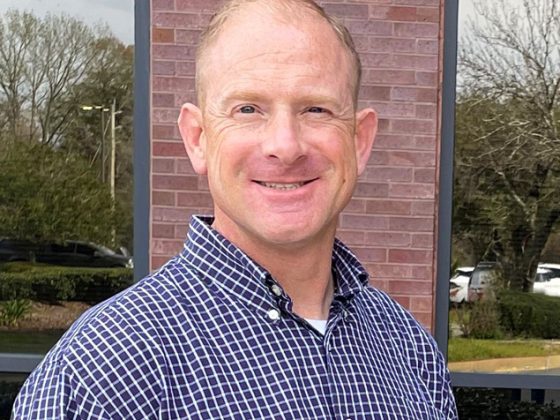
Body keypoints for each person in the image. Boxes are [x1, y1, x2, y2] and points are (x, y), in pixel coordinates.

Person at [13, 0, 457, 418]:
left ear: (359, 141)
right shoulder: (106, 370)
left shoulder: (409, 350)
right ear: (198, 139)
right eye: (248, 109)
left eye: (316, 109)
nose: (285, 146)